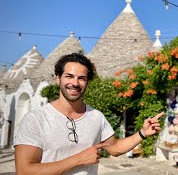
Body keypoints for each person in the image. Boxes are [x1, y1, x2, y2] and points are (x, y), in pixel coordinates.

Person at [14, 53, 164, 175]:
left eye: (81, 78)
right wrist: (79, 159)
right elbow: (24, 171)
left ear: (87, 82)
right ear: (58, 79)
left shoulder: (96, 116)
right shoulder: (36, 119)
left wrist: (143, 133)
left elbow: (115, 147)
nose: (75, 83)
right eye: (69, 76)